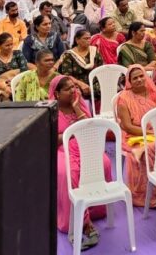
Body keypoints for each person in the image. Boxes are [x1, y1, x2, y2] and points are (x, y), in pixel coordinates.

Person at [51, 75, 109, 249]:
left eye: (74, 87)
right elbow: (53, 139)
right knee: (67, 171)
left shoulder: (80, 104)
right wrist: (72, 131)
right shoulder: (51, 111)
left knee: (104, 162)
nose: (73, 91)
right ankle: (80, 221)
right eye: (67, 89)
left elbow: (90, 129)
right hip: (62, 148)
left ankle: (95, 209)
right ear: (57, 94)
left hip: (84, 143)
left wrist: (77, 109)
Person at [116, 64, 156, 216]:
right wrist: (149, 133)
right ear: (129, 81)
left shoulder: (154, 94)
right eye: (135, 78)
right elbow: (127, 126)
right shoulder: (123, 99)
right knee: (152, 148)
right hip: (135, 136)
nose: (139, 80)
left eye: (141, 76)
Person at [0, 32, 29, 101]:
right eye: (7, 45)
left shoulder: (18, 54)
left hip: (19, 82)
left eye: (11, 44)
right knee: (5, 97)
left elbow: (24, 70)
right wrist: (5, 87)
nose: (10, 47)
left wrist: (14, 82)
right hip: (1, 86)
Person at [59, 29, 98, 99]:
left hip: (95, 84)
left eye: (89, 38)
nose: (89, 40)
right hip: (76, 84)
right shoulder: (69, 55)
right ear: (77, 40)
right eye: (86, 38)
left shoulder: (94, 51)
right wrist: (80, 84)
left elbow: (100, 69)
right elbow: (67, 75)